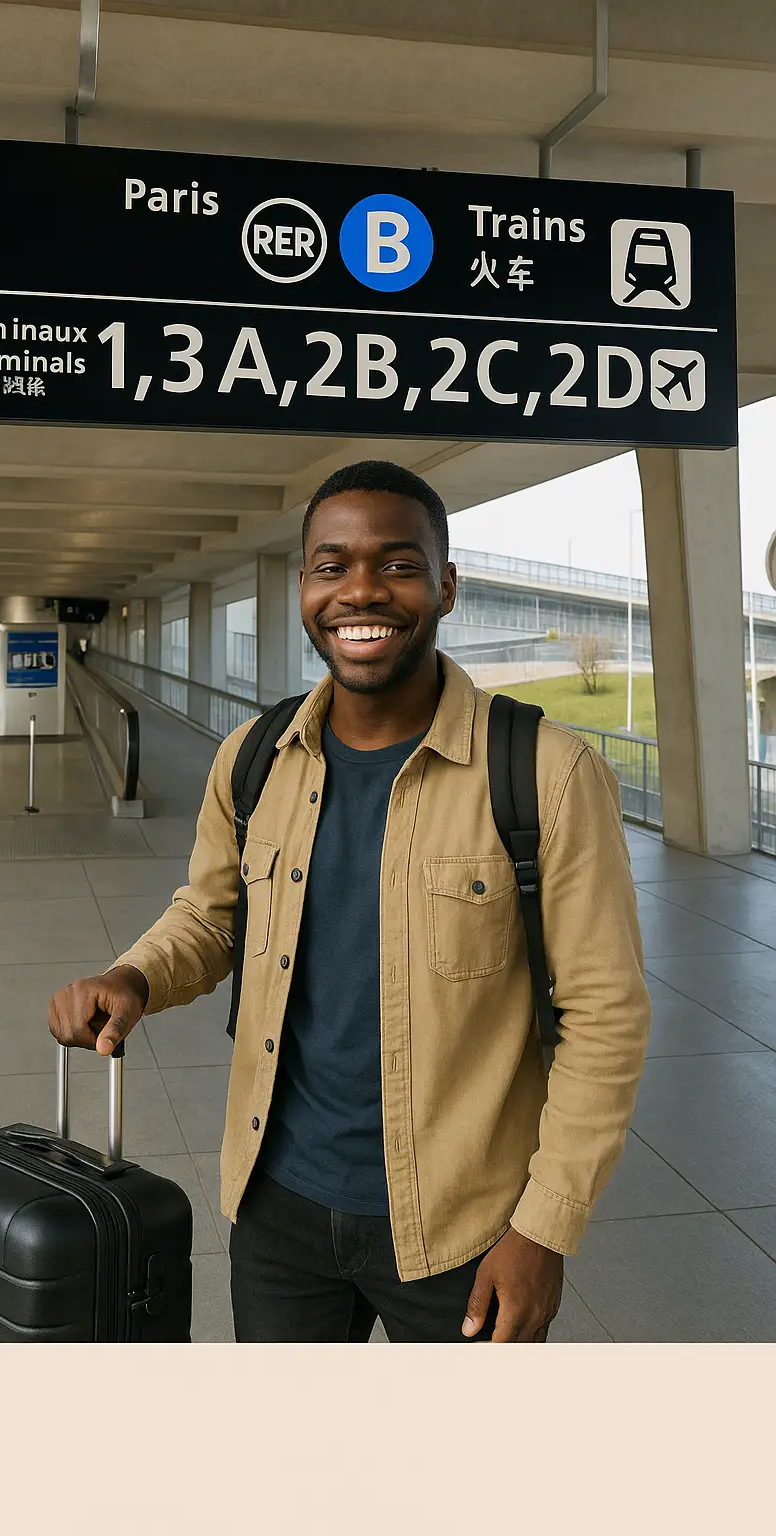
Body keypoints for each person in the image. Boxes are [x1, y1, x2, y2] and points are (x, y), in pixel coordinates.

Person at [49, 459, 651, 1343]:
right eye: (332, 566)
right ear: (304, 586)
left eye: (399, 565)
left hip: (465, 1227)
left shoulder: (545, 772)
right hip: (277, 1210)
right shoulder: (253, 759)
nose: (361, 591)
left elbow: (607, 1015)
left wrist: (544, 1228)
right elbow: (211, 915)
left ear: (446, 587)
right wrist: (133, 976)